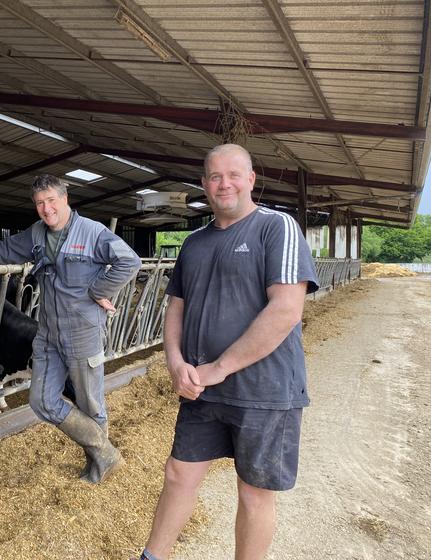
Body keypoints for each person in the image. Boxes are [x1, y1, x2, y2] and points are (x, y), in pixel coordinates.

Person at [135, 144, 319, 560]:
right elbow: (176, 307)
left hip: (265, 389)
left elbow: (287, 308)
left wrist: (221, 366)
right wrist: (176, 362)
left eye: (234, 174)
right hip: (202, 387)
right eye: (215, 176)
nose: (225, 183)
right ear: (204, 184)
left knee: (253, 493)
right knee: (179, 473)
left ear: (251, 179)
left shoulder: (277, 227)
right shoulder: (194, 243)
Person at [0, 174, 141, 483]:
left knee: (90, 403)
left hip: (82, 331)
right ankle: (106, 452)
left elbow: (130, 262)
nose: (46, 209)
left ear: (65, 199)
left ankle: (99, 464)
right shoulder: (36, 234)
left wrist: (98, 290)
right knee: (42, 400)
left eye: (51, 201)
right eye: (39, 204)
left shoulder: (92, 233)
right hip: (47, 333)